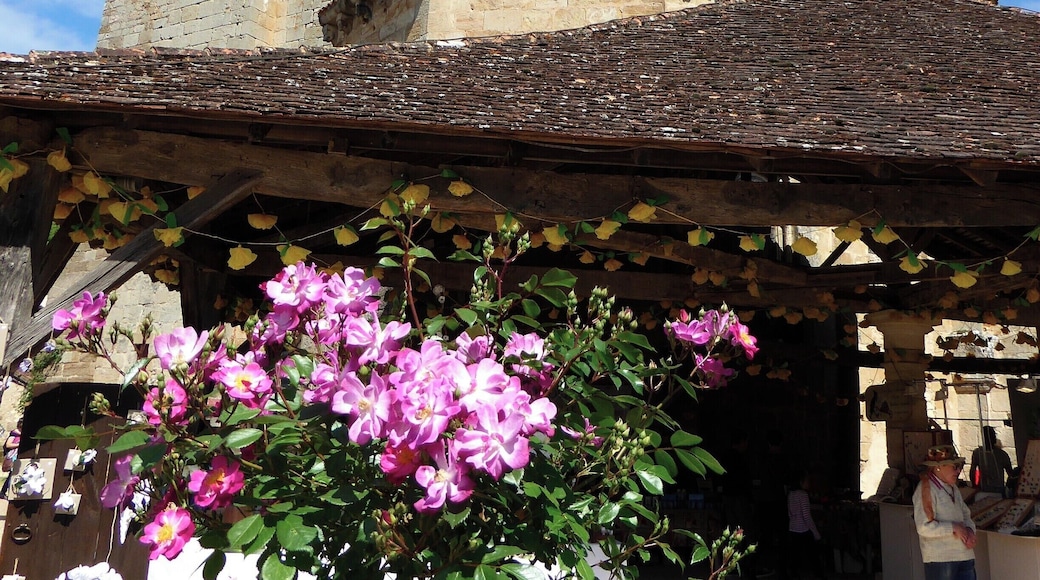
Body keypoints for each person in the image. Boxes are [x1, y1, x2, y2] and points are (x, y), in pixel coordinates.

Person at [912, 445, 976, 580]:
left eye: (960, 466)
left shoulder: (953, 488)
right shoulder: (926, 489)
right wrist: (953, 527)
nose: (958, 471)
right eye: (954, 467)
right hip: (941, 559)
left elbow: (966, 514)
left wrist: (970, 530)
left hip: (964, 555)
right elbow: (924, 527)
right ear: (938, 467)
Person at [785, 470, 824, 579]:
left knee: (794, 557)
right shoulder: (803, 495)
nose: (809, 483)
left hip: (792, 529)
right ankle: (819, 575)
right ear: (801, 482)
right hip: (803, 530)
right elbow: (807, 517)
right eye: (807, 481)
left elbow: (790, 513)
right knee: (813, 556)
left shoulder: (791, 494)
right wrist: (816, 533)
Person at [969, 426, 1013, 497]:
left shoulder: (1001, 454)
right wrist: (975, 486)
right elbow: (973, 471)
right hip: (985, 489)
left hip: (997, 490)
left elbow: (1010, 474)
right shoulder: (978, 453)